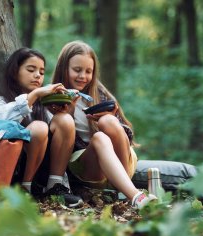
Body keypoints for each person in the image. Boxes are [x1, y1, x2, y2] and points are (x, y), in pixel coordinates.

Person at [51, 40, 157, 209]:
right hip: (87, 163)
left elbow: (128, 135)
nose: (83, 76)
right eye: (77, 70)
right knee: (100, 138)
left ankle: (127, 191)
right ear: (64, 68)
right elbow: (58, 143)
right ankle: (136, 196)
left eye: (88, 71)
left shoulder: (98, 93)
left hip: (121, 157)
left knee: (107, 122)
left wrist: (111, 119)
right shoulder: (53, 96)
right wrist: (68, 111)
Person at [0, 47, 83, 208]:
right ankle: (25, 189)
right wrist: (35, 95)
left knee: (65, 120)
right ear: (14, 71)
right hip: (13, 173)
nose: (38, 75)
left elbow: (62, 140)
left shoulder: (45, 106)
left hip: (43, 172)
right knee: (38, 127)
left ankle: (55, 187)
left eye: (41, 71)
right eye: (31, 70)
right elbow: (0, 126)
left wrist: (67, 111)